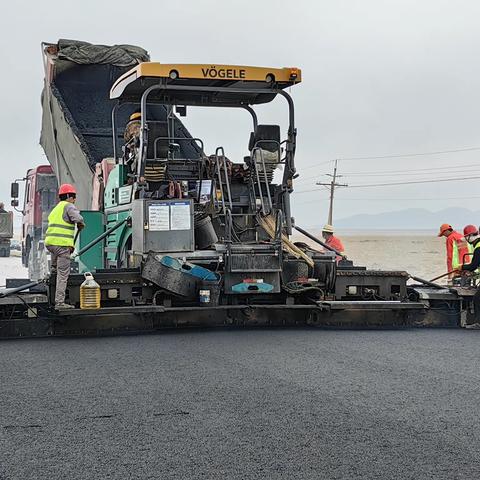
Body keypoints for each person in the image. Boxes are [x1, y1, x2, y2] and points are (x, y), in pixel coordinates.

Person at [45, 183, 85, 310]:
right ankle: (59, 303)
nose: (74, 199)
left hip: (51, 244)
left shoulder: (56, 209)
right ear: (68, 196)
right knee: (63, 274)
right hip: (61, 247)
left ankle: (51, 290)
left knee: (55, 270)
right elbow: (78, 218)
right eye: (73, 196)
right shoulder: (68, 206)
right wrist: (81, 223)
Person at [457, 225, 480, 327]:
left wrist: (461, 267)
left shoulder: (478, 247)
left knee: (477, 299)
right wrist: (474, 273)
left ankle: (478, 323)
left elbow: (473, 265)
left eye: (466, 237)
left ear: (470, 236)